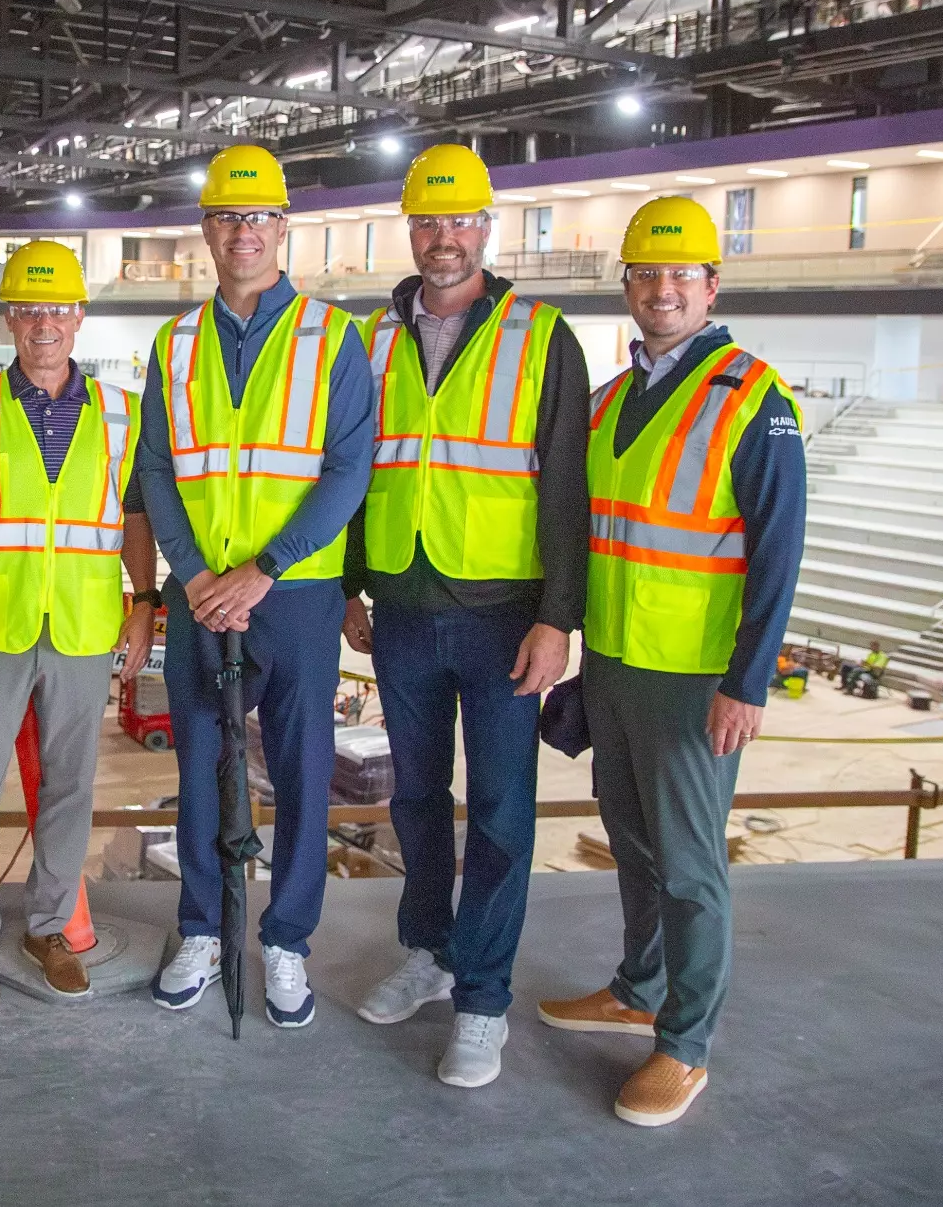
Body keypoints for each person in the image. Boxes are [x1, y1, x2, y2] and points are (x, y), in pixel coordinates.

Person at [539, 197, 806, 1127]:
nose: (662, 290)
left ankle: (685, 1044)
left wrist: (748, 680)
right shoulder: (613, 400)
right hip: (613, 664)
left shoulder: (752, 398)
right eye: (646, 274)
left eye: (680, 274)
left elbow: (778, 552)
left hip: (695, 680)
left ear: (711, 287)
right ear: (628, 287)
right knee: (636, 847)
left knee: (691, 868)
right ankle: (638, 986)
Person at [342, 145, 589, 1086]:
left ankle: (483, 998)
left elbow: (567, 489)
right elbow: (357, 470)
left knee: (499, 812)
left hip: (501, 618)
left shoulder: (541, 335)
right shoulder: (373, 337)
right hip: (401, 606)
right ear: (411, 229)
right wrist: (349, 585)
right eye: (428, 222)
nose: (444, 238)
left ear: (488, 228)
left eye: (461, 222)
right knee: (412, 798)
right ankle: (431, 953)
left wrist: (557, 617)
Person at [140, 145, 375, 1027]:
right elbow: (158, 470)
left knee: (305, 768)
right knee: (200, 764)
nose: (243, 232)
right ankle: (202, 925)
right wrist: (197, 572)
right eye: (227, 217)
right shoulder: (176, 344)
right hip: (201, 594)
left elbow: (349, 468)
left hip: (298, 593)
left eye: (259, 218)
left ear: (284, 228)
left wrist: (262, 567)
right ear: (206, 229)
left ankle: (285, 941)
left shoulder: (333, 338)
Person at [0, 241, 157, 1016]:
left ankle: (50, 926)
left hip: (85, 629)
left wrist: (144, 599)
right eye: (30, 308)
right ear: (10, 317)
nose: (45, 323)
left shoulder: (121, 412)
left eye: (59, 308)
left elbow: (131, 517)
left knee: (70, 789)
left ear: (80, 316)